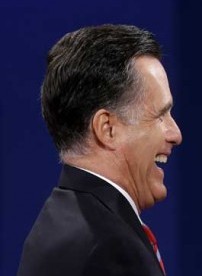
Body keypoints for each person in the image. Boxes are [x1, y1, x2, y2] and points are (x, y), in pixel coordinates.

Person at [18, 24, 182, 276]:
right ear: (108, 129)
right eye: (160, 115)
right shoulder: (110, 248)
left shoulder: (60, 219)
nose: (175, 134)